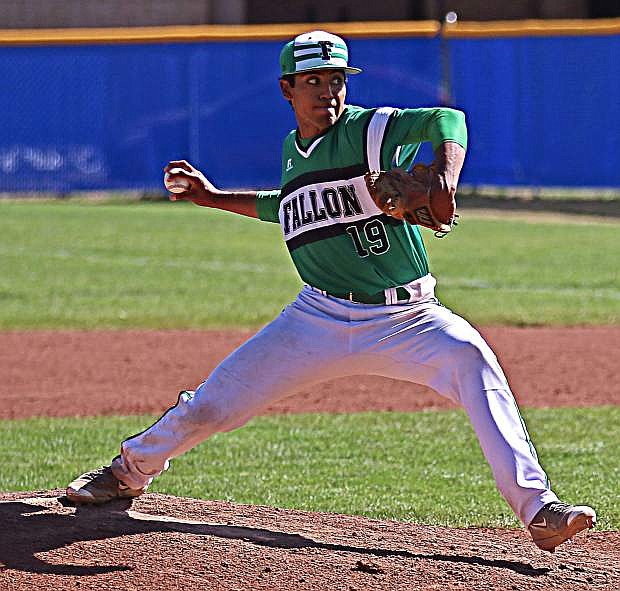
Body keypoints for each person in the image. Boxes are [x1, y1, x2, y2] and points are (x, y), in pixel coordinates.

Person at [67, 30, 595, 552]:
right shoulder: (293, 153)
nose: (328, 92)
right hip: (315, 318)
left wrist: (446, 177)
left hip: (408, 317)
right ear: (287, 90)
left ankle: (540, 510)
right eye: (313, 81)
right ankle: (128, 471)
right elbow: (287, 204)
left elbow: (447, 119)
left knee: (474, 363)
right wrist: (214, 198)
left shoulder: (369, 130)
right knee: (213, 405)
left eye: (336, 79)